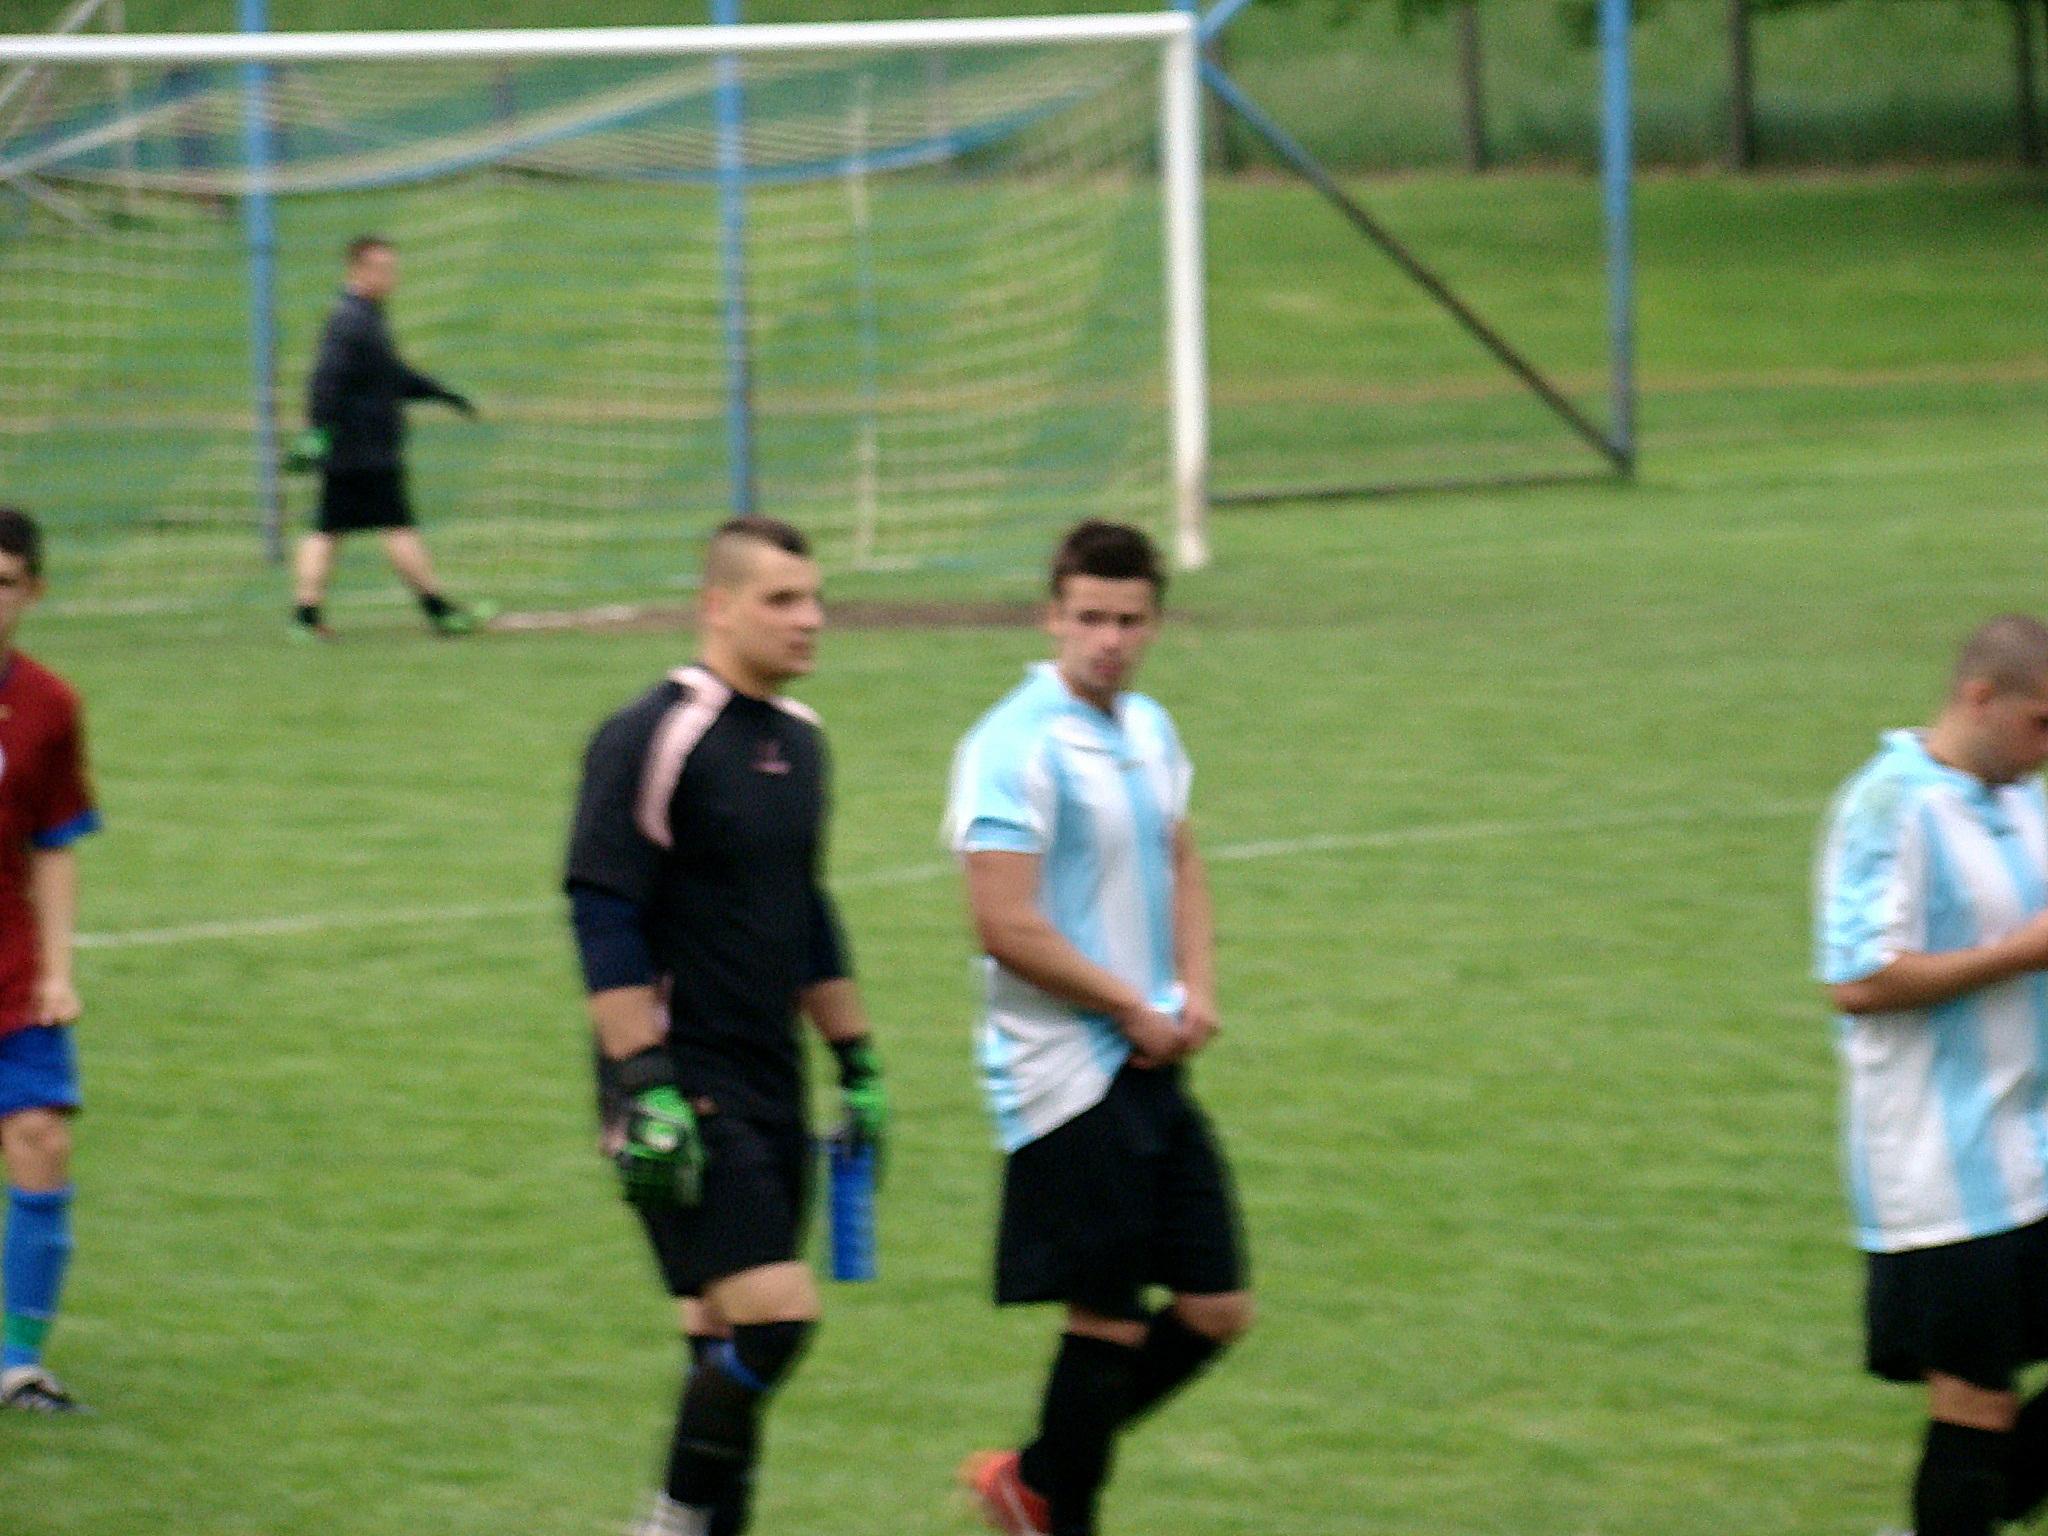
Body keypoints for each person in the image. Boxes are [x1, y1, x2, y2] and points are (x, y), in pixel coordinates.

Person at [563, 515, 887, 1536]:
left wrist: (856, 1059)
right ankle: (665, 1522)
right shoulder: (653, 733)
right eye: (782, 600)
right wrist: (642, 1080)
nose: (810, 618)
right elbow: (601, 909)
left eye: (814, 597)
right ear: (717, 606)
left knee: (719, 1334)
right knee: (777, 1317)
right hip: (680, 1075)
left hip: (771, 1072)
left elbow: (806, 911)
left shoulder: (802, 740)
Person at [944, 519, 1252, 1536]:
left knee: (1215, 1308)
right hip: (1065, 1072)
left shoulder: (1151, 730)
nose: (1108, 640)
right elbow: (1002, 923)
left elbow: (1180, 857)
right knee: (1107, 1321)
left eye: (1127, 620)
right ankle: (1049, 1504)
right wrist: (1126, 1005)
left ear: (1154, 623)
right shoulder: (1010, 745)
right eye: (1089, 618)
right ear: (1052, 618)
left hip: (1152, 1058)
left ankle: (1029, 1480)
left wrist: (1195, 987)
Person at [1815, 614, 2048, 1536]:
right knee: (1977, 1401)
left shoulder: (2022, 800)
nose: (2047, 747)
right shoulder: (1888, 808)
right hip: (1943, 1166)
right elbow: (1859, 979)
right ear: (1979, 698)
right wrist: (2021, 954)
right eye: (2040, 723)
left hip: (2035, 1143)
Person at [0, 508, 101, 1414]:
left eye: (2, 584)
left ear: (33, 591)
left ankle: (17, 1362)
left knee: (42, 1140)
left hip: (12, 970)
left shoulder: (49, 706)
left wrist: (58, 971)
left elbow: (57, 843)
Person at [290, 235, 489, 640]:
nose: (390, 276)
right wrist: (317, 432)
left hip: (355, 449)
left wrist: (441, 394)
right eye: (382, 268)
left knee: (328, 530)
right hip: (363, 450)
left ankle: (306, 619)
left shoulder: (362, 316)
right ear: (358, 271)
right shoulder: (351, 320)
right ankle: (439, 612)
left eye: (392, 268)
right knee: (396, 527)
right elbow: (326, 382)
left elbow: (390, 377)